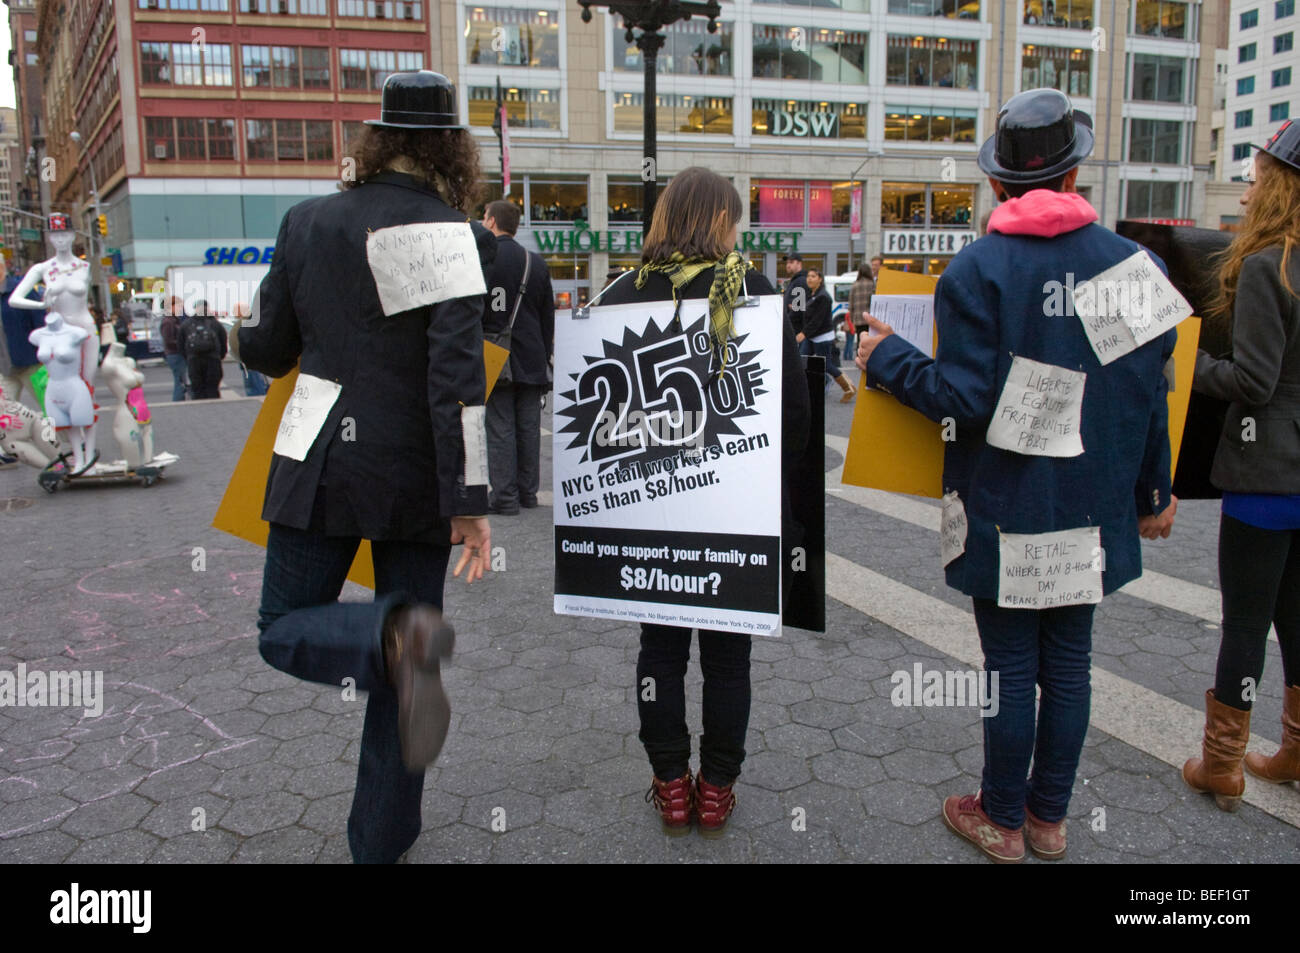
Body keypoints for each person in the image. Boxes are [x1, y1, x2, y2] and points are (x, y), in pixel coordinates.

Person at [857, 89, 1178, 863]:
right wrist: (1155, 492)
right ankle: (1048, 820)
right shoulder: (1134, 265)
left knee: (1009, 670)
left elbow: (965, 402)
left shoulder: (978, 270)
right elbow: (1150, 392)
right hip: (1093, 510)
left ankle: (998, 816)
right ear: (1074, 176)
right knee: (1070, 665)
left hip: (1007, 508)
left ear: (999, 185)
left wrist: (886, 359)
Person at [237, 70, 495, 864]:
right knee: (406, 677)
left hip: (317, 455)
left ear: (374, 138)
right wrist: (470, 500)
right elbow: (456, 381)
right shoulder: (452, 234)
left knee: (282, 625)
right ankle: (381, 840)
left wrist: (255, 323)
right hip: (414, 473)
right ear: (452, 147)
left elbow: (269, 347)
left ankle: (389, 635)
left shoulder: (307, 221)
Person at [599, 167, 811, 837]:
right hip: (735, 516)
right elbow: (797, 416)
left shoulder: (619, 293)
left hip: (653, 516)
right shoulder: (754, 291)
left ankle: (670, 787)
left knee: (658, 651)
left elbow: (592, 413)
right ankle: (715, 790)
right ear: (722, 221)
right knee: (728, 659)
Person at [1182, 119, 1300, 809]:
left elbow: (1254, 380)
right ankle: (1292, 751)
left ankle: (1222, 762)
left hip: (1264, 476)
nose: (1249, 189)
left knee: (1246, 625)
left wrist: (1194, 365)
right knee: (1298, 618)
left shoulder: (1267, 267)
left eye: (1256, 178)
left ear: (1278, 185)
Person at [480, 198, 555, 515]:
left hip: (494, 354)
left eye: (484, 217)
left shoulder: (483, 259)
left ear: (493, 222)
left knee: (499, 428)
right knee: (528, 428)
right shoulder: (535, 263)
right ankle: (528, 493)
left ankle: (505, 499)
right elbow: (546, 316)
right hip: (531, 357)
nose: (483, 222)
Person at [796, 268, 854, 401]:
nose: (809, 279)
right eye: (808, 276)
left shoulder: (824, 297)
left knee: (826, 364)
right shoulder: (813, 294)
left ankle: (848, 387)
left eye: (813, 276)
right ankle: (809, 387)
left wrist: (803, 333)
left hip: (822, 337)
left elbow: (818, 320)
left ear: (820, 279)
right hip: (811, 336)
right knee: (803, 360)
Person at [0, 256, 43, 408]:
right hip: (5, 370)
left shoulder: (21, 291)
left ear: (2, 269)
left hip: (32, 365)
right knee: (4, 417)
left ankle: (53, 433)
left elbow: (40, 323)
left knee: (50, 410)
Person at [179, 299, 227, 399]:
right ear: (207, 308)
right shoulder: (215, 324)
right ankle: (214, 407)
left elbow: (181, 344)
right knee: (212, 387)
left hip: (194, 359)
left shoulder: (186, 324)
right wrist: (220, 356)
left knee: (197, 387)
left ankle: (199, 406)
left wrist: (188, 357)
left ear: (196, 309)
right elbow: (223, 341)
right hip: (213, 359)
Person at [227, 303, 269, 397]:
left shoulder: (244, 323)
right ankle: (258, 393)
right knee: (253, 379)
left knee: (253, 380)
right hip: (250, 357)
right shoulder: (251, 321)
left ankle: (257, 395)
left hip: (248, 357)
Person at [844, 261, 875, 367]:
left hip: (858, 318)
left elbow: (851, 304)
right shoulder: (872, 284)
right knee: (871, 339)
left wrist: (852, 319)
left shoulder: (855, 285)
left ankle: (860, 358)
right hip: (871, 318)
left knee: (860, 340)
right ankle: (870, 359)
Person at [161, 296, 188, 401]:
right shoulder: (168, 321)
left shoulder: (173, 320)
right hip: (175, 354)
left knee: (181, 379)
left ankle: (179, 398)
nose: (181, 308)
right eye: (179, 306)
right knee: (179, 380)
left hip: (176, 353)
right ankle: (178, 400)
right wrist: (183, 343)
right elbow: (169, 341)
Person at [781, 252, 807, 331]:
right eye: (787, 263)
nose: (788, 265)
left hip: (796, 329)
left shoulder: (800, 281)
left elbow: (797, 309)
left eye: (791, 262)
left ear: (799, 264)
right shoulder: (794, 280)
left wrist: (786, 324)